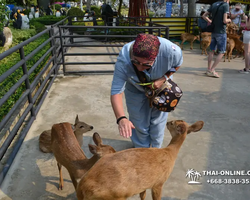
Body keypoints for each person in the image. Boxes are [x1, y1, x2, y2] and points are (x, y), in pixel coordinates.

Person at [110, 33, 183, 148]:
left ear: (157, 56)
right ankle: (141, 150)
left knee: (158, 123)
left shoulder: (172, 51)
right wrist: (121, 118)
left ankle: (155, 150)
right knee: (138, 123)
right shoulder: (124, 59)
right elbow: (116, 91)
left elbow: (177, 65)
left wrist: (163, 78)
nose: (139, 68)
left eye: (146, 65)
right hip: (135, 88)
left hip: (161, 88)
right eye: (136, 62)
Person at [202, 0, 231, 78]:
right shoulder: (225, 5)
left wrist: (210, 21)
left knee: (211, 51)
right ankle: (212, 70)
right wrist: (229, 20)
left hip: (213, 31)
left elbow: (204, 16)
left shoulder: (214, 4)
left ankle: (208, 69)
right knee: (221, 52)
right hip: (221, 32)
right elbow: (225, 20)